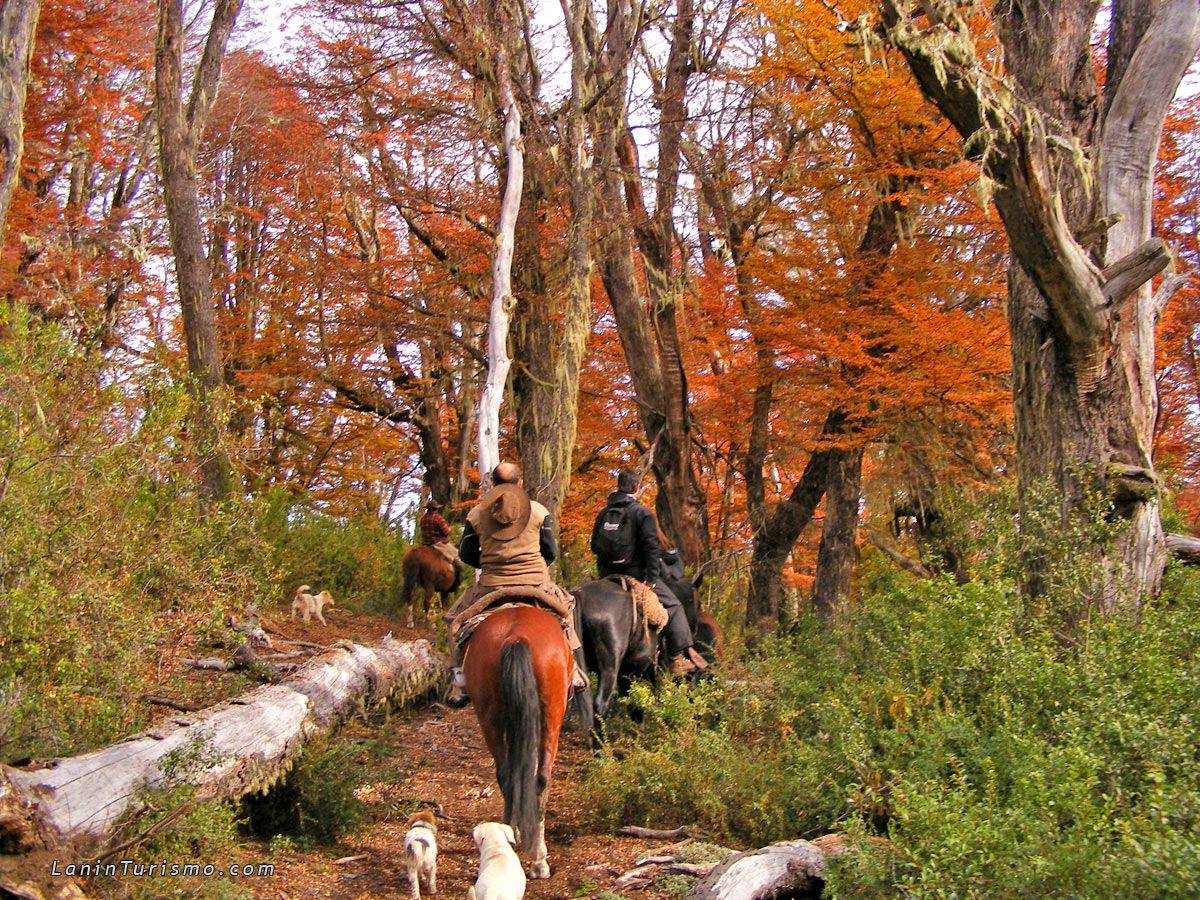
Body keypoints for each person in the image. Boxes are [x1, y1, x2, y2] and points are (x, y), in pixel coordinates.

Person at [444, 462, 586, 706]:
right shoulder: (539, 511)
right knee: (566, 611)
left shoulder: (477, 514)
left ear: (492, 484)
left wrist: (492, 562)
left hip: (491, 586)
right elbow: (550, 551)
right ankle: (573, 671)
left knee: (455, 623)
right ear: (520, 483)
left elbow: (466, 554)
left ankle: (459, 679)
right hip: (535, 584)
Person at [590, 469, 708, 676]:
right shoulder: (641, 512)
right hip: (635, 576)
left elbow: (594, 547)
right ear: (636, 488)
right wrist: (651, 580)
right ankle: (676, 659)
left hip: (606, 577)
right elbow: (651, 550)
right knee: (675, 606)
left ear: (619, 487)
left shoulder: (603, 513)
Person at [419, 500, 460, 573]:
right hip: (438, 544)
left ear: (427, 509)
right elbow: (447, 532)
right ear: (436, 509)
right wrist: (450, 529)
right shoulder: (438, 518)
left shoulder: (422, 519)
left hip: (425, 545)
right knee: (457, 556)